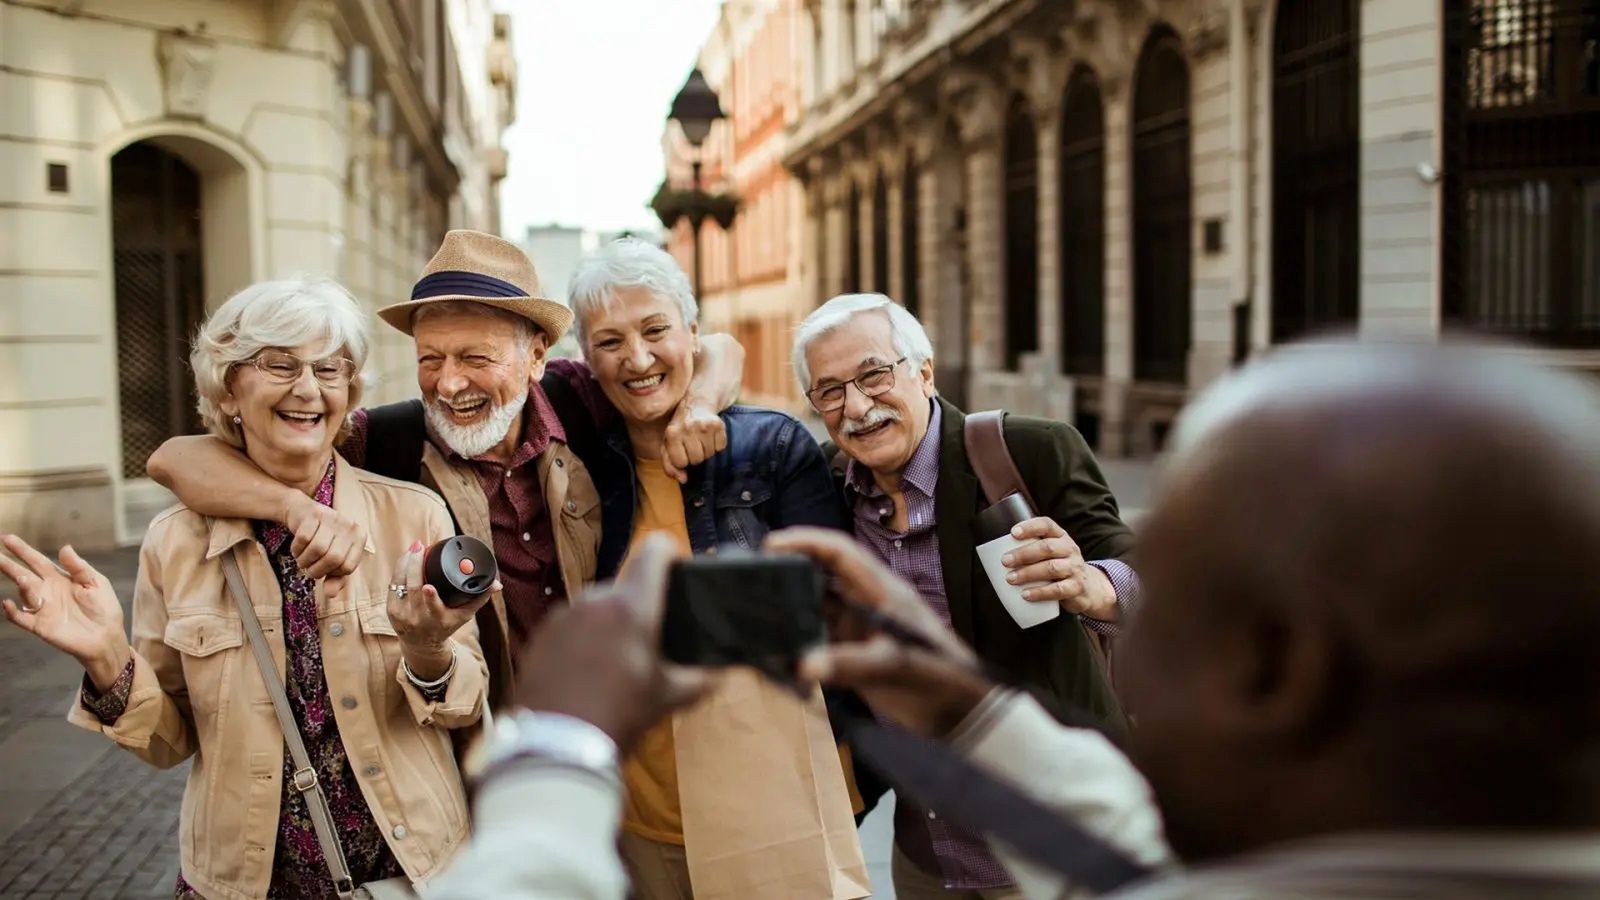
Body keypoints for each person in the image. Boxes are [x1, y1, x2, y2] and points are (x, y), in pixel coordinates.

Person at [1, 278, 489, 899]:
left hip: (410, 874)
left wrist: (428, 651)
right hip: (240, 883)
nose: (307, 388)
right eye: (279, 364)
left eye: (329, 369)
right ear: (229, 389)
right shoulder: (175, 542)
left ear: (349, 392)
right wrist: (104, 658)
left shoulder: (413, 516)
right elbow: (168, 741)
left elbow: (467, 702)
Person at [147, 230, 744, 709]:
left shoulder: (578, 400)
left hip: (612, 736)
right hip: (475, 758)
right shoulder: (386, 439)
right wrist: (291, 506)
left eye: (475, 358)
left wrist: (696, 406)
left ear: (537, 356)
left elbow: (717, 348)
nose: (449, 382)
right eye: (430, 359)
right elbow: (175, 458)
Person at [792, 292, 1140, 897]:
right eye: (829, 391)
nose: (857, 406)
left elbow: (1142, 572)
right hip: (926, 851)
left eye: (874, 374)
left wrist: (1092, 583)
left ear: (923, 371)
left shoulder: (1030, 452)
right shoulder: (823, 485)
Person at [562, 238, 867, 899]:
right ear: (587, 361)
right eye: (610, 341)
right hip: (642, 817)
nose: (637, 358)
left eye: (655, 330)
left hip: (773, 802)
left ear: (692, 335)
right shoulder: (586, 465)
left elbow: (836, 614)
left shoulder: (773, 447)